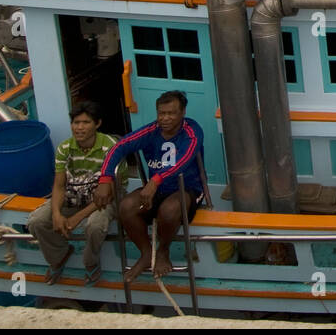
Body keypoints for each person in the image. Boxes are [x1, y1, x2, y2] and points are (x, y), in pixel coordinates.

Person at [93, 90, 206, 282]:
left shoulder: (192, 131)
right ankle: (146, 254)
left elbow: (182, 160)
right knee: (126, 207)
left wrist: (155, 180)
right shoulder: (151, 130)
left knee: (168, 211)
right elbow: (119, 147)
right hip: (156, 189)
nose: (165, 118)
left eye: (171, 113)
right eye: (161, 113)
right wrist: (105, 179)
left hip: (187, 189)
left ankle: (163, 250)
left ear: (183, 112)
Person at [27, 102, 127, 285]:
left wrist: (77, 218)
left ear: (97, 124)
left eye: (86, 122)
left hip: (105, 200)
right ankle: (59, 256)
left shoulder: (111, 148)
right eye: (76, 122)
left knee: (95, 226)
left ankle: (91, 263)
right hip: (73, 196)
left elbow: (109, 194)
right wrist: (57, 214)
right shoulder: (65, 148)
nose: (79, 127)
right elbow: (58, 186)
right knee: (37, 222)